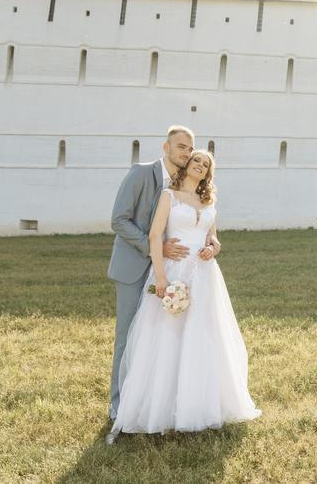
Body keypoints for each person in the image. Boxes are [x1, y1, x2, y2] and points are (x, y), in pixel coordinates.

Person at [109, 149, 261, 438]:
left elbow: (213, 237)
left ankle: (199, 403)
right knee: (167, 335)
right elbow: (155, 236)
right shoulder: (169, 196)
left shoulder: (208, 200)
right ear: (187, 165)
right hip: (174, 270)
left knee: (203, 335)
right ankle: (159, 407)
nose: (201, 166)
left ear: (208, 173)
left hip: (204, 275)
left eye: (206, 165)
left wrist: (213, 247)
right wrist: (162, 277)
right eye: (196, 161)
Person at [106, 126, 220, 431]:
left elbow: (205, 226)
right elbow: (119, 219)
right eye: (180, 147)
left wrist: (211, 244)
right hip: (135, 266)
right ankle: (119, 406)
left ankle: (161, 402)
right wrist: (154, 246)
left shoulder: (192, 188)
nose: (185, 152)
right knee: (129, 337)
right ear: (166, 147)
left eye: (189, 148)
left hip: (177, 269)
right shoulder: (142, 173)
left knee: (166, 337)